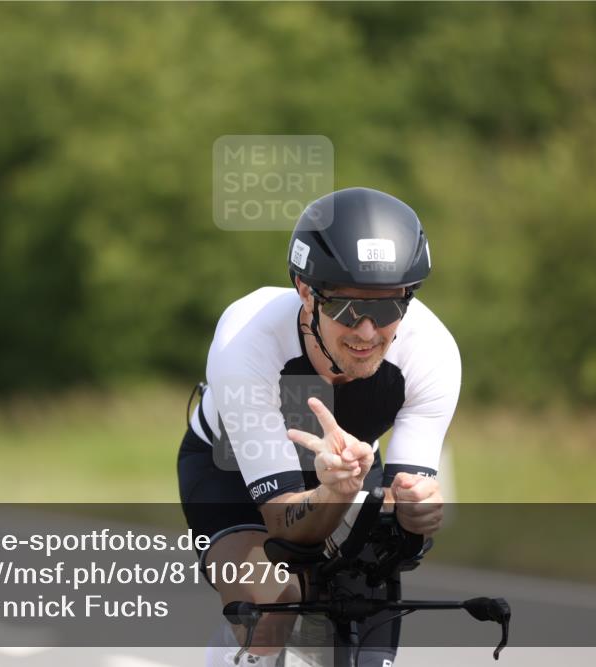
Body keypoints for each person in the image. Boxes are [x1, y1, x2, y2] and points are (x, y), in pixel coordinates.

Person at [178, 187, 461, 666]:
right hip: (231, 472)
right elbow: (283, 524)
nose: (367, 331)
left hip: (349, 468)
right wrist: (332, 493)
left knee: (362, 631)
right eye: (348, 308)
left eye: (388, 308)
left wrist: (417, 511)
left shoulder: (430, 352)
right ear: (306, 292)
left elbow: (406, 510)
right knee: (271, 611)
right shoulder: (248, 339)